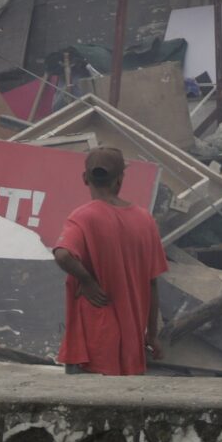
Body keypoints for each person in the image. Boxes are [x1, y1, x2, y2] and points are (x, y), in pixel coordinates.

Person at [51, 147, 167, 376]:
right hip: (130, 346)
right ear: (120, 179)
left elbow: (62, 254)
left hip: (93, 343)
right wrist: (152, 334)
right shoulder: (145, 221)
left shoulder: (83, 216)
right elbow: (152, 283)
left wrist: (86, 281)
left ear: (85, 178)